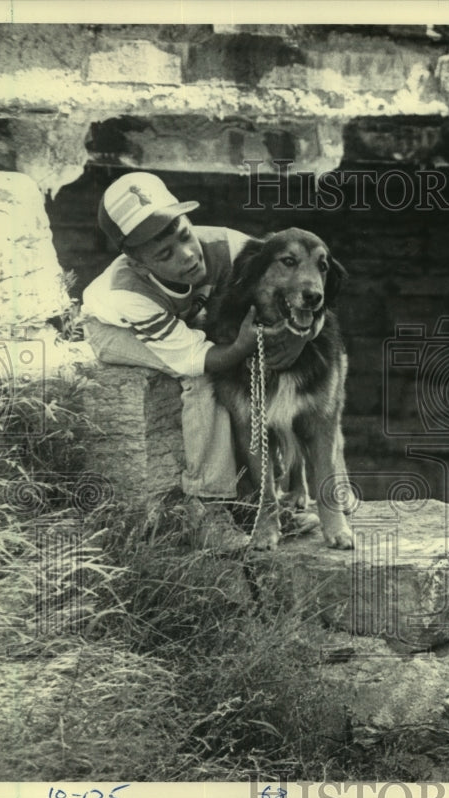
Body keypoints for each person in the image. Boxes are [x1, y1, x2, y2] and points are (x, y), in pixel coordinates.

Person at [81, 171, 318, 551]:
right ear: (140, 265)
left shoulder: (231, 246)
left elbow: (300, 281)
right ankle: (206, 507)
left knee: (252, 372)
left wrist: (303, 334)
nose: (188, 255)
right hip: (116, 332)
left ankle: (255, 498)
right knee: (207, 381)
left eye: (184, 235)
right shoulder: (126, 293)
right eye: (165, 254)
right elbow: (197, 359)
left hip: (187, 324)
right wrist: (243, 345)